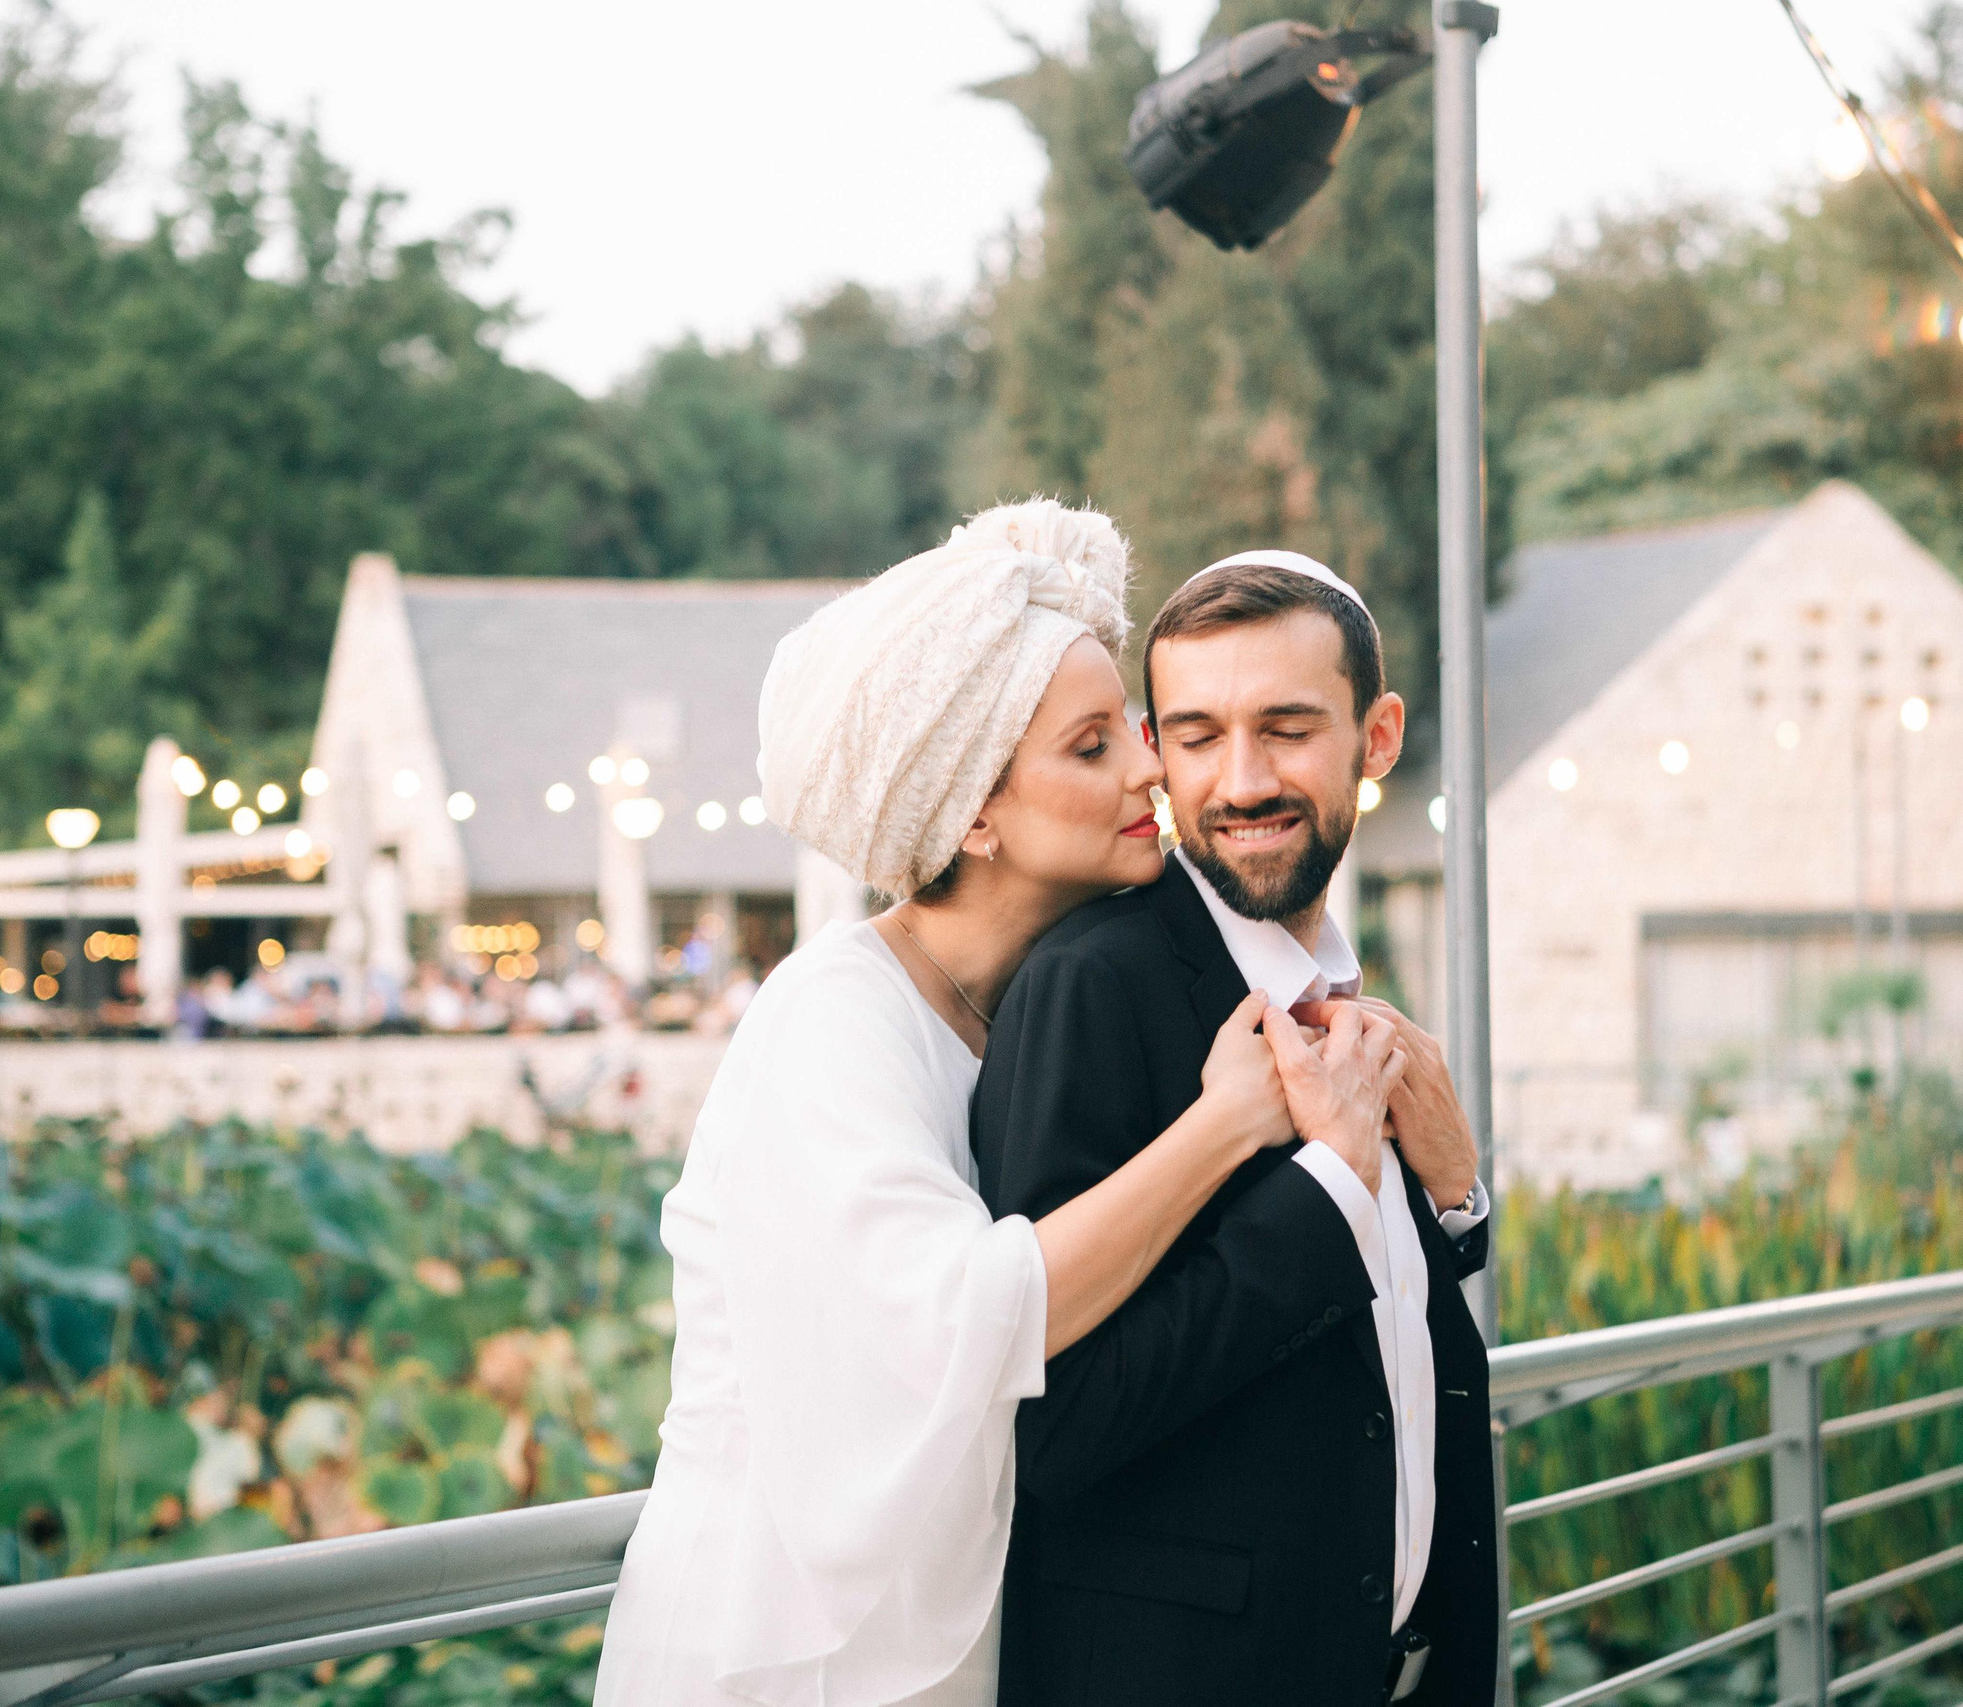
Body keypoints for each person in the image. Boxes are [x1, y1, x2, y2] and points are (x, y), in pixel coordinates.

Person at [594, 504, 1405, 1707]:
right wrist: (1225, 1125)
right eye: (1092, 748)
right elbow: (968, 1318)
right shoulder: (829, 1021)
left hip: (965, 1635)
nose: (1150, 771)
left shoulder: (1024, 1001)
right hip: (794, 1652)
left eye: (1128, 731)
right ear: (973, 812)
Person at [973, 552, 1499, 1707]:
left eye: (1288, 728)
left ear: (1377, 736)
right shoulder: (1093, 986)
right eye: (1199, 735)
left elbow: (1385, 1322)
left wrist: (1457, 1202)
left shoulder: (1347, 994)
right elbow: (1049, 1432)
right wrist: (1325, 1190)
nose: (1240, 779)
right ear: (1157, 748)